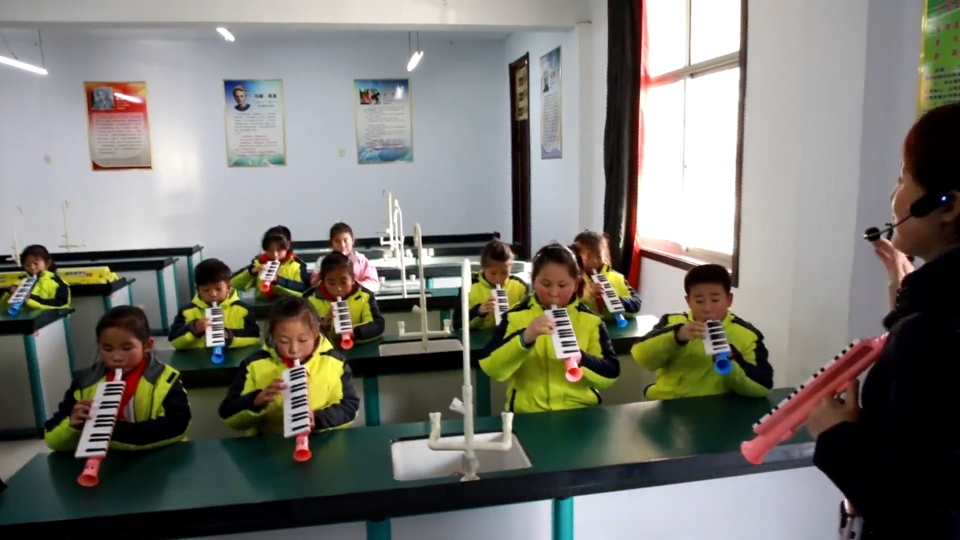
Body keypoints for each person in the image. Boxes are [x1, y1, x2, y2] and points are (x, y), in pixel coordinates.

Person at [806, 103, 960, 538]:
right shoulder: (930, 313)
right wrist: (909, 299)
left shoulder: (931, 330)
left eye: (903, 178)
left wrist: (836, 435)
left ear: (948, 205)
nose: (894, 197)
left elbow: (917, 517)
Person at [477, 243, 619, 413]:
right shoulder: (514, 316)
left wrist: (582, 359)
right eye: (545, 284)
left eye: (562, 285)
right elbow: (490, 367)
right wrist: (525, 338)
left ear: (575, 284)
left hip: (580, 410)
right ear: (533, 282)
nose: (553, 293)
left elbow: (611, 374)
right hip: (528, 413)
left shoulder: (591, 320)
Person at [44, 306, 191, 451]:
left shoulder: (165, 379)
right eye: (107, 349)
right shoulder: (84, 382)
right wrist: (72, 426)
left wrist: (113, 431)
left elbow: (177, 425)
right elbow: (51, 438)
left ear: (147, 345)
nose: (116, 357)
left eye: (126, 348)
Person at [218, 297, 359, 435]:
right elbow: (227, 412)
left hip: (321, 445)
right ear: (273, 336)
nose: (294, 350)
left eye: (302, 340)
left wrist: (318, 420)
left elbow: (349, 407)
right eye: (284, 341)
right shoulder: (253, 365)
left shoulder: (335, 363)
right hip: (267, 445)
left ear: (316, 333)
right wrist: (255, 401)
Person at [630, 264, 772, 400]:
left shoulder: (747, 335)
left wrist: (732, 358)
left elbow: (762, 387)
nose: (707, 308)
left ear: (729, 300)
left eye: (715, 300)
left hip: (718, 408)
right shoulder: (672, 321)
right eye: (699, 301)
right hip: (668, 403)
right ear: (688, 301)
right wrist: (676, 337)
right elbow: (641, 357)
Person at [168, 258, 261, 349]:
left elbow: (254, 336)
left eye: (218, 289)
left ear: (228, 287)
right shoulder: (186, 312)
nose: (213, 294)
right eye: (206, 290)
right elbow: (174, 341)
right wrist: (193, 329)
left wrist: (228, 335)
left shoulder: (243, 310)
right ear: (198, 290)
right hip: (199, 359)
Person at [309, 252, 385, 346]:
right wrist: (324, 325)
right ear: (323, 282)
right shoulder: (311, 302)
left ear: (353, 279)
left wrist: (356, 333)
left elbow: (378, 325)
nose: (338, 288)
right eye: (331, 283)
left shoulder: (365, 296)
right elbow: (306, 333)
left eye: (343, 282)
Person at [451, 239, 529, 330]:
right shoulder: (469, 286)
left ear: (510, 268)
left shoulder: (520, 286)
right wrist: (478, 311)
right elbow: (456, 324)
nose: (498, 278)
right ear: (483, 268)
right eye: (493, 273)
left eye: (504, 273)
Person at [571, 231, 642, 321]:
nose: (594, 261)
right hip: (588, 327)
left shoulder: (617, 278)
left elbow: (637, 303)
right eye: (588, 257)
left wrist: (617, 301)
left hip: (615, 326)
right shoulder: (572, 280)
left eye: (598, 256)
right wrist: (589, 295)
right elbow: (569, 308)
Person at [231, 226, 310, 299]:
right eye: (270, 250)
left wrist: (278, 280)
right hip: (262, 306)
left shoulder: (297, 266)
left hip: (289, 307)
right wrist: (251, 272)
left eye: (279, 250)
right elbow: (232, 284)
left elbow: (305, 291)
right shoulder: (259, 263)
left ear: (288, 245)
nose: (275, 255)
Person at [311, 222, 379, 291]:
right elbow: (314, 284)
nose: (342, 245)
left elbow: (373, 283)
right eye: (337, 241)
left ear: (352, 240)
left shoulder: (361, 260)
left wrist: (354, 287)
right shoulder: (322, 261)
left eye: (345, 240)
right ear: (331, 243)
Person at [1, 244, 70, 311]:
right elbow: (2, 307)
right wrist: (9, 295)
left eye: (36, 263)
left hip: (50, 318)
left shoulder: (57, 283)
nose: (32, 268)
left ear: (47, 263)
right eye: (27, 265)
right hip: (24, 318)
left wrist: (31, 299)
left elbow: (62, 304)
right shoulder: (19, 283)